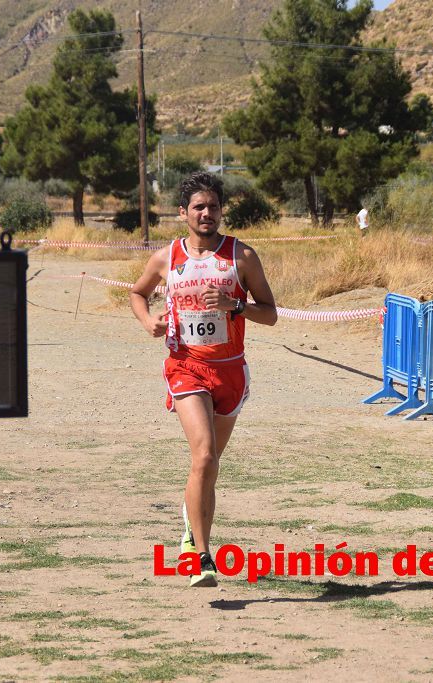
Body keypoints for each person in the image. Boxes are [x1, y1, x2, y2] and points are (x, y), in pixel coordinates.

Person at [130, 172, 277, 587]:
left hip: (230, 369)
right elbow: (137, 293)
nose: (207, 213)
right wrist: (148, 321)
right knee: (205, 456)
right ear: (183, 213)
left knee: (208, 468)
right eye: (198, 207)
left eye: (213, 206)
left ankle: (190, 523)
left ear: (221, 210)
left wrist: (236, 305)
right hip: (186, 366)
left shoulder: (241, 256)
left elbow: (270, 313)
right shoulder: (166, 258)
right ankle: (202, 556)